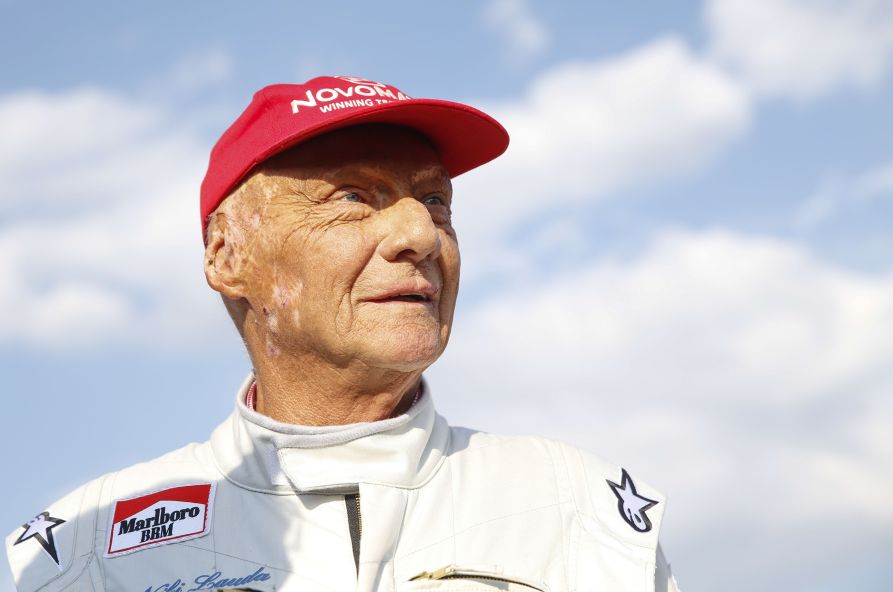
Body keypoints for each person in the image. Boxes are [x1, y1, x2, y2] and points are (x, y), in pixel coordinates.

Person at [5, 76, 679, 592]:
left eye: (437, 202)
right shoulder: (83, 549)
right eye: (354, 197)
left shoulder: (578, 505)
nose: (421, 235)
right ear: (227, 258)